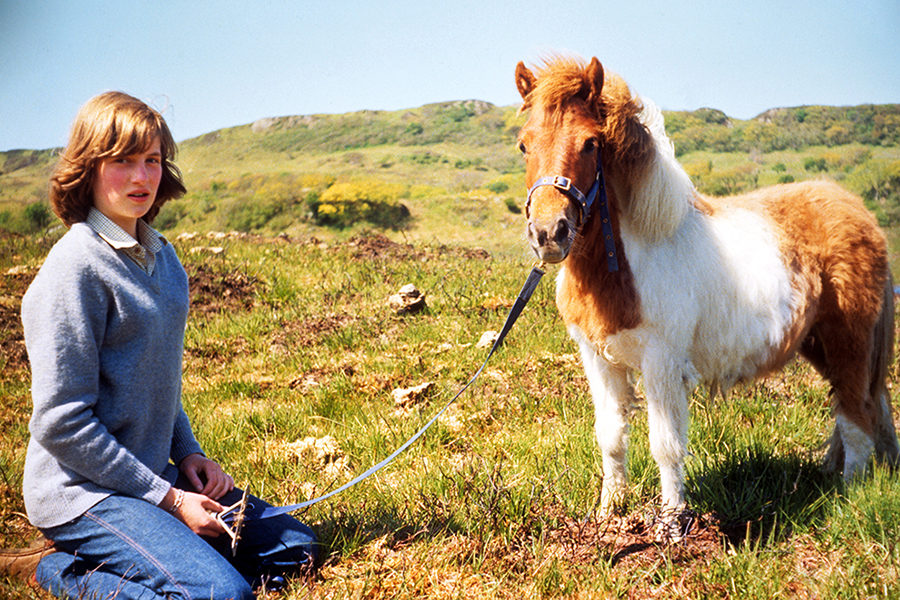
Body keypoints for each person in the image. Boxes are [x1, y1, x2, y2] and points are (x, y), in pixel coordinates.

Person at [3, 91, 317, 599]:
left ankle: (163, 554)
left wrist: (188, 453)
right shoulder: (73, 269)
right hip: (83, 493)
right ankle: (57, 568)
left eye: (151, 160)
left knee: (296, 549)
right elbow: (61, 424)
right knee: (219, 595)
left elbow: (154, 379)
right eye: (122, 161)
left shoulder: (164, 260)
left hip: (149, 476)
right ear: (87, 168)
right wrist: (171, 500)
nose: (141, 177)